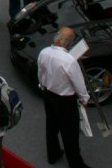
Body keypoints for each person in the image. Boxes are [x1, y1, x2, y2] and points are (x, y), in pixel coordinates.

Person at [37, 27, 91, 168]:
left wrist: (43, 87)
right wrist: (85, 99)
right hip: (65, 101)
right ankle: (76, 164)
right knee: (70, 133)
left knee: (51, 126)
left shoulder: (44, 53)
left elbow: (41, 74)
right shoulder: (69, 61)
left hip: (48, 94)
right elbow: (79, 84)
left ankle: (53, 154)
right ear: (68, 43)